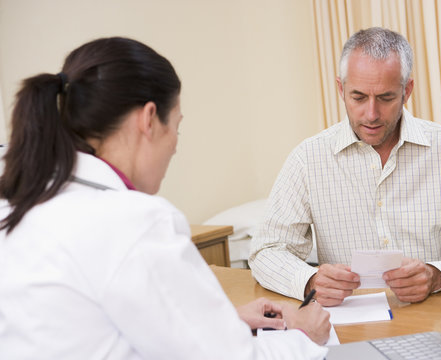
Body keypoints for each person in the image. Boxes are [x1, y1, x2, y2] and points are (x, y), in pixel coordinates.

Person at [0, 37, 330, 359]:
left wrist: (221, 321)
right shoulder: (134, 221)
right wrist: (304, 336)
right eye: (176, 126)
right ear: (148, 119)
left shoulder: (19, 200)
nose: (175, 145)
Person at [249, 27, 441, 306]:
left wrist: (437, 275)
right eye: (358, 97)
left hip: (432, 317)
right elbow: (267, 250)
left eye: (385, 98)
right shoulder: (308, 158)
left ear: (406, 91)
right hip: (347, 325)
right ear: (340, 89)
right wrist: (308, 280)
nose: (371, 114)